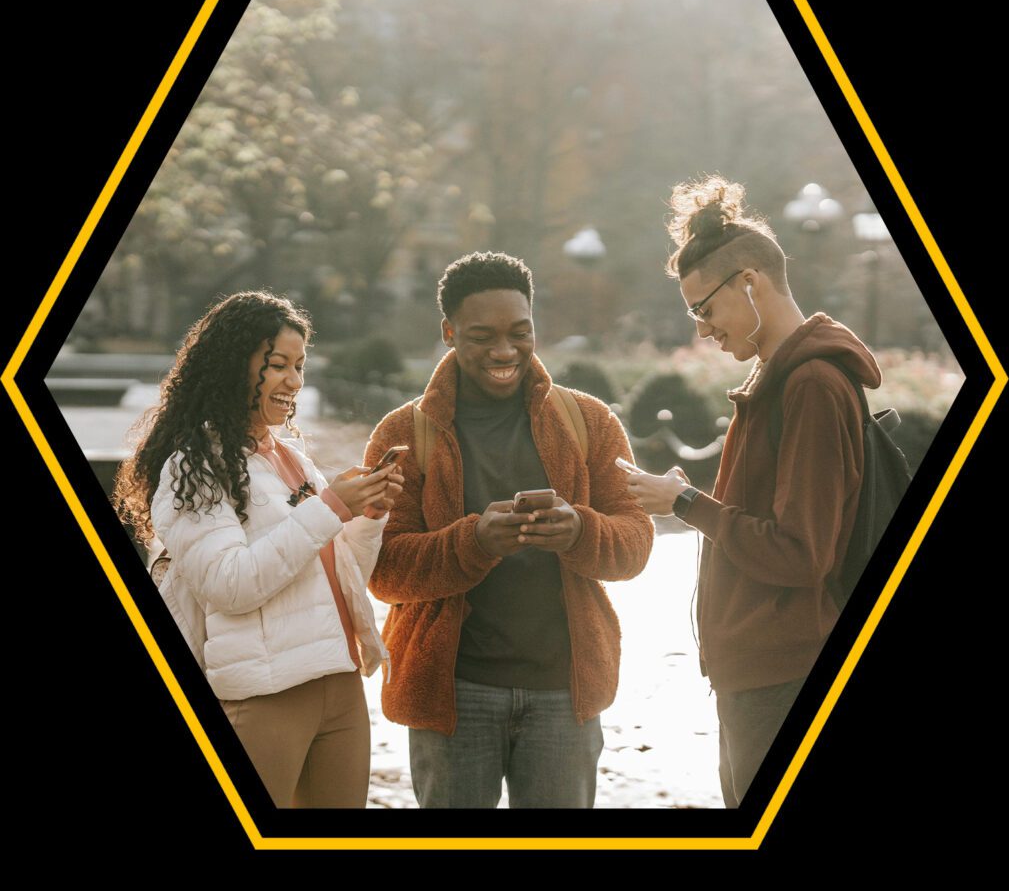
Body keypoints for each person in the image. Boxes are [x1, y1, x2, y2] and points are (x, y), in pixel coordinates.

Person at [364, 252, 654, 808]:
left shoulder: (588, 420)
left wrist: (580, 532)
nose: (505, 351)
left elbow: (636, 543)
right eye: (482, 336)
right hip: (453, 692)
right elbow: (383, 570)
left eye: (520, 333)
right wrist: (471, 544)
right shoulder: (404, 433)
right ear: (448, 332)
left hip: (565, 692)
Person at [627, 177, 881, 808]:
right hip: (759, 673)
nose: (703, 330)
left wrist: (683, 504)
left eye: (704, 310)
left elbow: (800, 553)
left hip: (785, 673)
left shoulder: (812, 383)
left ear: (749, 282)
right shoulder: (779, 375)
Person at [114, 290, 402, 808]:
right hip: (265, 696)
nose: (294, 380)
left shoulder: (290, 459)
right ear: (232, 367)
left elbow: (340, 576)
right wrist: (332, 506)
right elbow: (231, 585)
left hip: (339, 685)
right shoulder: (194, 466)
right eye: (277, 365)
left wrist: (368, 518)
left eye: (300, 365)